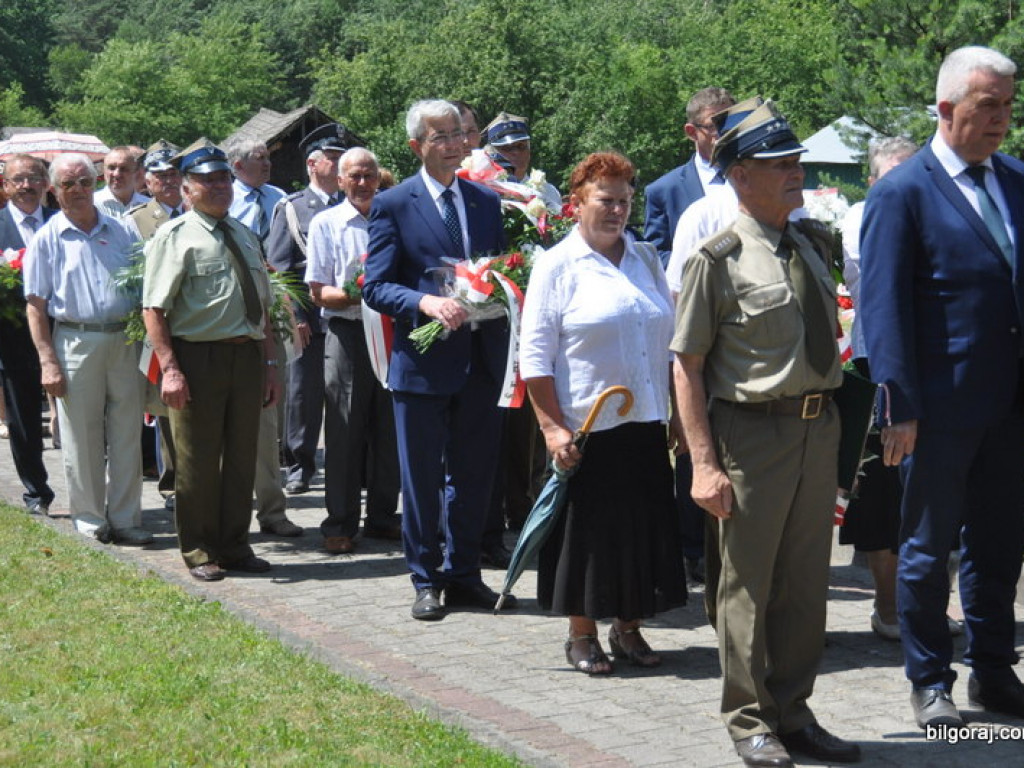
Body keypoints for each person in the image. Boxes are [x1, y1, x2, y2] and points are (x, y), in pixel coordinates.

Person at [672, 101, 860, 767]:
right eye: (780, 164)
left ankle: (795, 710)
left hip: (817, 432)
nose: (795, 173)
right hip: (749, 438)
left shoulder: (809, 243)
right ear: (740, 174)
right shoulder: (716, 258)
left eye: (796, 162)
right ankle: (749, 719)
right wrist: (703, 462)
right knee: (745, 587)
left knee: (808, 585)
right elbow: (687, 367)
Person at [860, 45, 1024, 728]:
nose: (1002, 123)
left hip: (1010, 408)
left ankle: (992, 671)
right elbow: (882, 306)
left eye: (1010, 108)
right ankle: (931, 681)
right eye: (990, 107)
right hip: (936, 412)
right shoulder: (903, 192)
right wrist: (897, 405)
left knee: (1000, 545)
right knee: (928, 552)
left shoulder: (1016, 180)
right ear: (947, 107)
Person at [519, 151, 687, 675]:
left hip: (645, 421)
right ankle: (581, 632)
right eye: (605, 200)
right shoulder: (557, 264)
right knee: (586, 534)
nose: (617, 210)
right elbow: (533, 355)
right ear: (577, 204)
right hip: (587, 426)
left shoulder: (645, 259)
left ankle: (628, 627)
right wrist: (551, 427)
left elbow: (671, 341)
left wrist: (679, 412)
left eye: (625, 200)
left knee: (639, 528)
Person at [362, 99, 517, 621]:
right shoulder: (393, 204)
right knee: (423, 479)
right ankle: (426, 579)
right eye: (440, 137)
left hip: (480, 359)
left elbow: (493, 271)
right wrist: (424, 302)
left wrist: (502, 289)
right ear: (416, 147)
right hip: (423, 365)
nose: (454, 144)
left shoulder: (484, 200)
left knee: (474, 476)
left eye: (458, 134)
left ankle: (464, 574)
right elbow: (376, 285)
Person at [142, 138, 282, 581]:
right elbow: (154, 309)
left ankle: (236, 545)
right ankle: (200, 550)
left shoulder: (242, 232)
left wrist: (270, 365)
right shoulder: (174, 236)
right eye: (207, 180)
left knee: (242, 456)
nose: (219, 186)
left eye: (223, 177)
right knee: (198, 460)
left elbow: (262, 306)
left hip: (245, 358)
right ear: (186, 189)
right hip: (197, 358)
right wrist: (171, 369)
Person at [24, 153, 151, 545]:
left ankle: (127, 518)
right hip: (75, 341)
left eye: (84, 182)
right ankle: (90, 516)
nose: (77, 190)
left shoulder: (122, 230)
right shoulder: (48, 237)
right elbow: (35, 306)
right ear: (53, 191)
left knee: (127, 431)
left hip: (123, 340)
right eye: (67, 184)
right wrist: (48, 361)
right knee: (81, 435)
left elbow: (141, 288)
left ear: (96, 183)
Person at [838, 136, 917, 640]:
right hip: (876, 368)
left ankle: (922, 605)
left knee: (925, 496)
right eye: (892, 177)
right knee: (883, 495)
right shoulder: (859, 217)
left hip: (929, 371)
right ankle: (887, 609)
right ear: (872, 181)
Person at [305, 147, 402, 554]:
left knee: (390, 431)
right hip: (348, 337)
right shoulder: (326, 223)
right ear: (341, 181)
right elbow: (318, 292)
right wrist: (358, 295)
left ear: (379, 177)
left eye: (369, 175)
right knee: (344, 432)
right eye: (354, 176)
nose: (363, 183)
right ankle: (339, 522)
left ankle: (382, 517)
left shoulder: (396, 217)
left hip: (396, 336)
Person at [265, 123, 355, 496]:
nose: (337, 165)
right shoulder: (292, 208)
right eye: (331, 159)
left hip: (348, 316)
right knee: (303, 395)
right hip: (310, 320)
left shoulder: (355, 205)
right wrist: (295, 317)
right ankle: (299, 465)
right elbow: (279, 270)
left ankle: (345, 464)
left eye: (340, 158)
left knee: (344, 395)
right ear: (312, 165)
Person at [127, 139, 185, 512]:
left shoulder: (197, 207)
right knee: (165, 407)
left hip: (200, 323)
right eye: (159, 175)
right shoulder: (136, 220)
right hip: (160, 322)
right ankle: (173, 484)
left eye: (173, 173)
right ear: (146, 182)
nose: (167, 181)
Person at [0, 153, 56, 515]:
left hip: (62, 332)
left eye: (34, 178)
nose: (26, 186)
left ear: (46, 183)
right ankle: (37, 492)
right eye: (18, 179)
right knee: (23, 419)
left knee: (76, 414)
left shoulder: (60, 220)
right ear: (5, 186)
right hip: (12, 336)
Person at [643, 87, 735, 268]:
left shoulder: (758, 178)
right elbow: (656, 256)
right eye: (715, 126)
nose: (725, 133)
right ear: (692, 132)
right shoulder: (664, 191)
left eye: (731, 123)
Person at [482, 112, 560, 208]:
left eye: (521, 146)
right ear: (492, 153)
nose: (516, 152)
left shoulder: (548, 192)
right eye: (507, 148)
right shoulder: (485, 191)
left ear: (529, 149)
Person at [225, 138, 286, 242]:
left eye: (268, 158)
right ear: (238, 165)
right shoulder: (226, 200)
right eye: (260, 158)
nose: (268, 163)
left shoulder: (280, 196)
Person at [94, 146, 150, 219]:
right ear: (104, 170)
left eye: (124, 169)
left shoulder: (149, 206)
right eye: (111, 168)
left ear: (136, 172)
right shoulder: (91, 204)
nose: (116, 174)